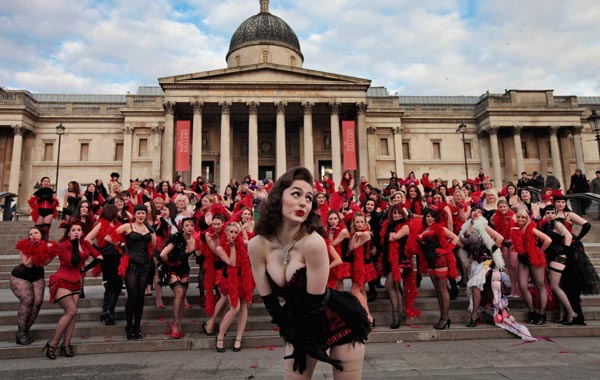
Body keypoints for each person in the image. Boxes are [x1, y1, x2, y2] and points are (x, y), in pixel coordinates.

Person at [249, 166, 370, 378]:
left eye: (308, 197)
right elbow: (270, 302)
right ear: (278, 197)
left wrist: (308, 342)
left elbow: (315, 303)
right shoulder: (257, 245)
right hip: (298, 322)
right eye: (296, 194)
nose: (303, 202)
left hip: (338, 320)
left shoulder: (314, 243)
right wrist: (293, 336)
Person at [45, 221, 102, 359]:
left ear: (82, 232)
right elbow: (74, 262)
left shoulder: (86, 244)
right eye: (73, 230)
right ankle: (52, 345)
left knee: (72, 315)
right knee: (71, 311)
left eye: (79, 230)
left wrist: (85, 269)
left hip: (76, 281)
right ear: (69, 233)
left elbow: (100, 257)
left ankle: (66, 345)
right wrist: (75, 244)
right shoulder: (63, 246)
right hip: (62, 279)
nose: (76, 232)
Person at [107, 204, 156, 340]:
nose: (141, 215)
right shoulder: (127, 226)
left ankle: (137, 327)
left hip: (145, 265)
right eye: (139, 213)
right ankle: (129, 326)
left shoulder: (148, 228)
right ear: (134, 214)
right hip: (130, 264)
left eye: (143, 213)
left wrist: (152, 232)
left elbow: (154, 245)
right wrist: (121, 245)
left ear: (146, 214)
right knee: (133, 295)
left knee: (140, 297)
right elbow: (108, 237)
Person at [407, 208, 459, 330]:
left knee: (442, 289)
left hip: (440, 261)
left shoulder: (439, 228)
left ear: (436, 218)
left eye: (432, 217)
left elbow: (455, 238)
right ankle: (443, 316)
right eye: (427, 216)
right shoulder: (423, 229)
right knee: (437, 290)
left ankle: (445, 318)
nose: (430, 219)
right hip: (429, 262)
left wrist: (446, 250)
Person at [458, 206, 504, 327]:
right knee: (483, 287)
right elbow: (463, 242)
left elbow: (500, 238)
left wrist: (492, 253)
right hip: (475, 261)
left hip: (486, 260)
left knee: (475, 284)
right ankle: (493, 312)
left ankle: (474, 315)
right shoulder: (466, 227)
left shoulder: (483, 225)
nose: (476, 213)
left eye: (479, 212)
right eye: (474, 211)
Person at [11, 228, 58, 345]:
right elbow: (27, 264)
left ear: (41, 235)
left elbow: (44, 263)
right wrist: (35, 249)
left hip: (37, 276)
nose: (33, 235)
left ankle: (24, 331)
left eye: (36, 233)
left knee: (37, 302)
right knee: (28, 300)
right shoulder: (24, 245)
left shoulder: (48, 246)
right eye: (30, 234)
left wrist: (48, 249)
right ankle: (21, 333)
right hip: (20, 276)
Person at [213, 222, 254, 352]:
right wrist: (232, 248)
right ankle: (220, 337)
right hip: (230, 280)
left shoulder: (242, 243)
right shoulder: (220, 248)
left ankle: (238, 338)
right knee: (234, 308)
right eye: (231, 232)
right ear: (226, 232)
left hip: (243, 279)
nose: (233, 235)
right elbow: (232, 262)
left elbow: (249, 241)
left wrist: (242, 230)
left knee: (243, 307)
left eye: (235, 232)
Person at [159, 217, 198, 338]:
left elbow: (200, 254)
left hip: (184, 269)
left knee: (181, 297)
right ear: (182, 227)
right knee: (179, 293)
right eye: (187, 225)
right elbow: (162, 254)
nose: (190, 228)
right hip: (171, 268)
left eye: (192, 225)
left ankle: (179, 323)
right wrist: (170, 263)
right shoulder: (176, 238)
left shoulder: (195, 240)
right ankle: (175, 324)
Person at [510, 209, 551, 324]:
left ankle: (542, 314)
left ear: (527, 218)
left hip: (535, 258)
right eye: (518, 217)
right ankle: (532, 311)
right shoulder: (515, 229)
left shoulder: (531, 228)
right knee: (523, 286)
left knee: (540, 285)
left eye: (523, 217)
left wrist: (539, 251)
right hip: (523, 259)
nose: (520, 219)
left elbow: (548, 240)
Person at [538, 205, 576, 324]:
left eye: (552, 213)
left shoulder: (557, 224)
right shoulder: (545, 225)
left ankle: (571, 313)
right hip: (551, 257)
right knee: (557, 286)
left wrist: (565, 250)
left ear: (555, 214)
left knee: (555, 286)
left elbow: (568, 236)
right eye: (547, 213)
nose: (550, 215)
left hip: (558, 256)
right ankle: (562, 314)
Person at [84, 205, 122, 326]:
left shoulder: (117, 224)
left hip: (117, 257)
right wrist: (98, 251)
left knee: (113, 285)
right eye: (116, 212)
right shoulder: (101, 224)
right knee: (114, 285)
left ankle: (106, 311)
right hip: (107, 257)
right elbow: (87, 239)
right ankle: (108, 312)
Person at [28, 176, 60, 241]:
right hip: (39, 211)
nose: (46, 182)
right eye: (45, 181)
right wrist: (41, 199)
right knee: (38, 229)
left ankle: (44, 245)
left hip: (49, 211)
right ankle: (37, 244)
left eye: (48, 181)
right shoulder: (37, 192)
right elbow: (32, 203)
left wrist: (49, 199)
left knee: (46, 230)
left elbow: (55, 203)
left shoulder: (52, 192)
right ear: (41, 183)